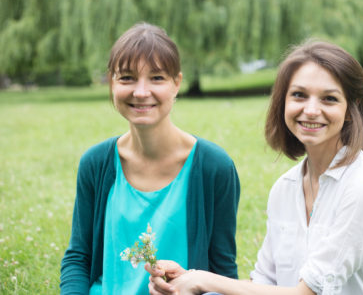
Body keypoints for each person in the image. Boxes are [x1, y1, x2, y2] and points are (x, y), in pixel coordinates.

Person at [146, 40, 363, 294]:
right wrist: (185, 281)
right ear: (283, 102)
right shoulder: (285, 188)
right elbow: (264, 285)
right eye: (299, 95)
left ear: (350, 109)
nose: (311, 110)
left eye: (329, 99)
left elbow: (306, 293)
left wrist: (202, 280)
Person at [60, 22, 240, 294]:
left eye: (157, 78)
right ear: (112, 84)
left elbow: (222, 270)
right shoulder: (95, 163)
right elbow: (79, 258)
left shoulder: (214, 167)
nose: (141, 92)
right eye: (127, 78)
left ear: (176, 84)